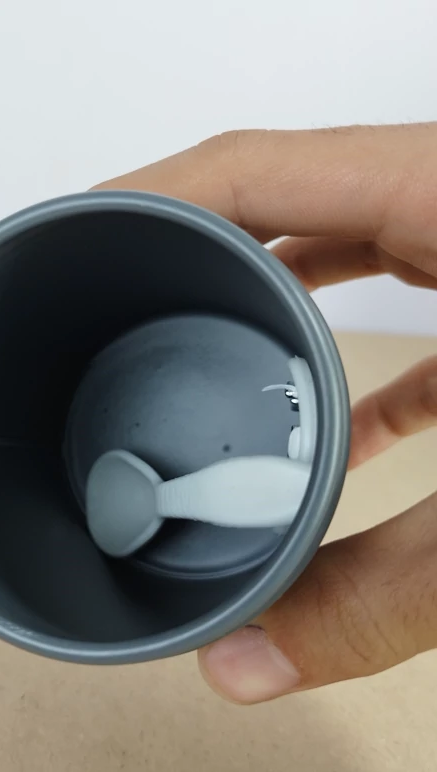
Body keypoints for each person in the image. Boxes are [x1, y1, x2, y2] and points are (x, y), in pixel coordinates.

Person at [96, 123, 437, 704]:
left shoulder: (289, 491)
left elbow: (303, 442)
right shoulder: (287, 484)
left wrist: (302, 388)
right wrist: (300, 387)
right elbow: (302, 437)